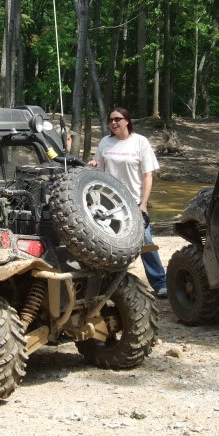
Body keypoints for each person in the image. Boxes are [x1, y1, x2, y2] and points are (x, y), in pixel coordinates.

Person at [88, 107, 168, 297]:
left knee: (145, 241)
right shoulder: (105, 142)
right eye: (111, 120)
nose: (113, 123)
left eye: (117, 119)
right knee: (108, 244)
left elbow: (148, 175)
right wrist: (92, 164)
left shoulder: (140, 142)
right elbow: (97, 167)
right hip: (108, 203)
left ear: (127, 121)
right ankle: (107, 286)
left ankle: (160, 283)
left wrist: (143, 203)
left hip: (133, 202)